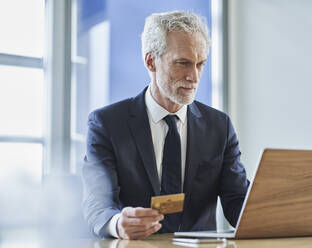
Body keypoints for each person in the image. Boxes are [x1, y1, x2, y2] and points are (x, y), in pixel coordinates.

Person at [82, 10, 249, 240]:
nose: (194, 76)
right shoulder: (107, 125)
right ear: (151, 61)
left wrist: (280, 212)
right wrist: (118, 223)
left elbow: (238, 201)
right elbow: (97, 205)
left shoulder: (219, 126)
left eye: (200, 64)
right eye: (183, 63)